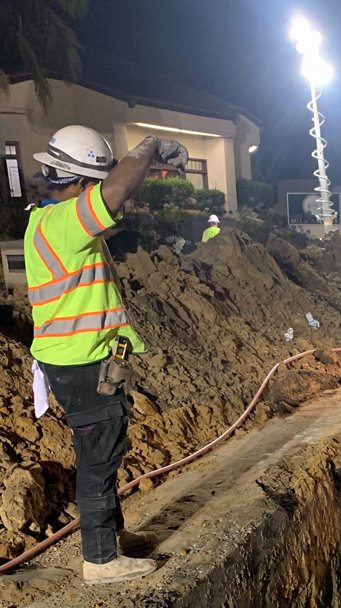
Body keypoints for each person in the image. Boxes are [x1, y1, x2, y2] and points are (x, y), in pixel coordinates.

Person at [25, 125, 187, 584]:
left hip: (78, 359)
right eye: (93, 185)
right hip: (80, 363)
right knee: (97, 460)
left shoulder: (49, 221)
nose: (98, 194)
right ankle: (99, 560)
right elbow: (115, 192)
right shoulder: (63, 223)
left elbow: (113, 195)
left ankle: (111, 538)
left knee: (103, 452)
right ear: (80, 183)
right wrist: (150, 146)